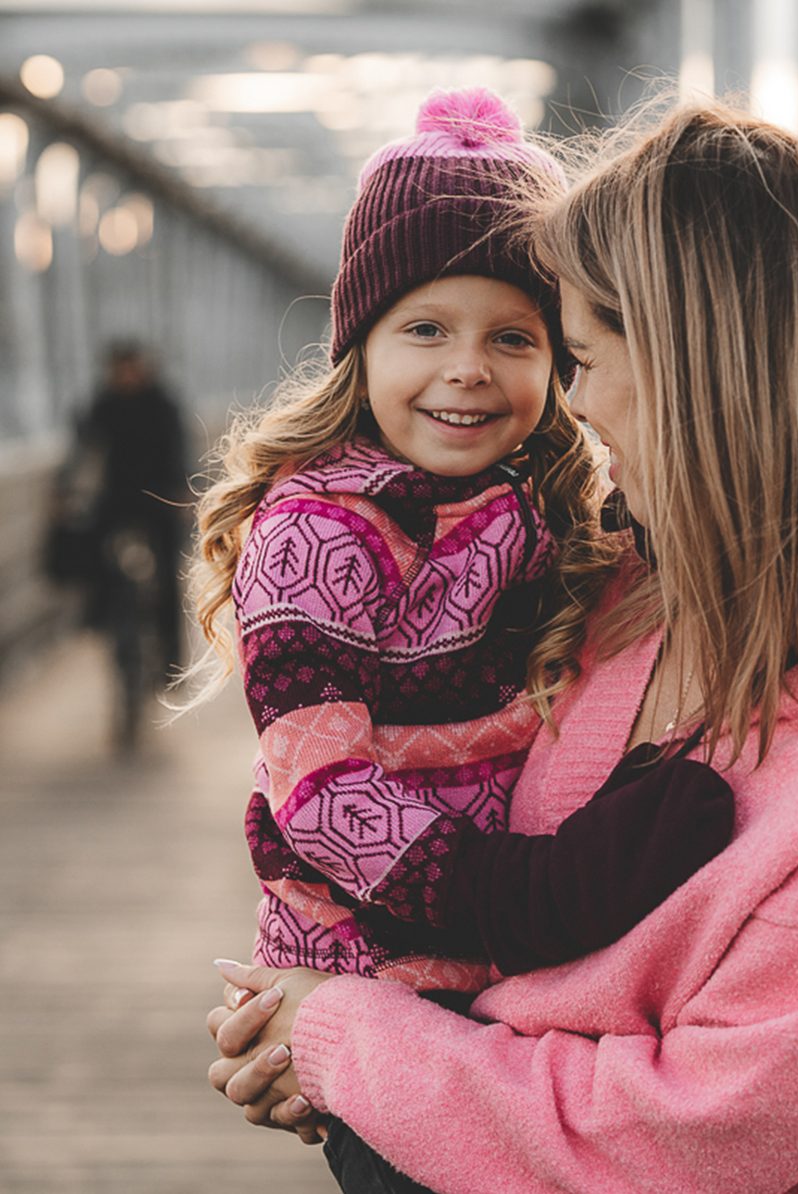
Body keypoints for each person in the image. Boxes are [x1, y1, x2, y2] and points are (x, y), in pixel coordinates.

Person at [206, 100, 798, 1193]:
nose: (571, 402)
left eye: (574, 354)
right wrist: (317, 1021)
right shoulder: (612, 600)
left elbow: (689, 1142)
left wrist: (342, 1039)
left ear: (701, 375)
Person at [191, 83, 732, 1051]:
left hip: (494, 970)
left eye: (515, 338)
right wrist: (506, 896)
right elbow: (316, 792)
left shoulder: (538, 507)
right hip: (375, 952)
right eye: (426, 329)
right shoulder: (317, 535)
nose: (469, 368)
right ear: (359, 347)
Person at [61, 340, 188, 671]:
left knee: (168, 576)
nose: (125, 375)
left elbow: (179, 451)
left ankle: (172, 660)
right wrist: (64, 490)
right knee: (92, 549)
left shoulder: (162, 403)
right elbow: (81, 448)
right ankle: (97, 614)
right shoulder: (103, 404)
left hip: (160, 498)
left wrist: (183, 492)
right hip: (117, 499)